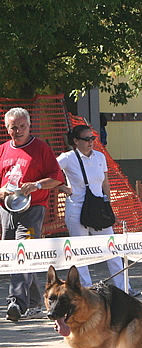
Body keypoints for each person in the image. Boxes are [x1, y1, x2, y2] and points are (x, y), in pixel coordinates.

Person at [57, 125, 140, 296]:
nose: (90, 142)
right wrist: (63, 187)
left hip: (98, 209)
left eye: (92, 138)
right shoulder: (67, 158)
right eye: (86, 139)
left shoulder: (100, 157)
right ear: (75, 141)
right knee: (80, 251)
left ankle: (124, 288)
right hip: (77, 208)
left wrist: (108, 204)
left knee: (111, 248)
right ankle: (85, 290)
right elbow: (48, 171)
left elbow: (105, 183)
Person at [0, 107, 64, 321]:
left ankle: (16, 302)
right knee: (13, 254)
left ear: (29, 126)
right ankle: (36, 301)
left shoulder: (40, 148)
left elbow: (57, 178)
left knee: (22, 251)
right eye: (13, 127)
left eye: (22, 127)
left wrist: (36, 185)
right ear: (6, 128)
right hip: (7, 208)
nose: (17, 131)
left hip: (33, 209)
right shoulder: (3, 150)